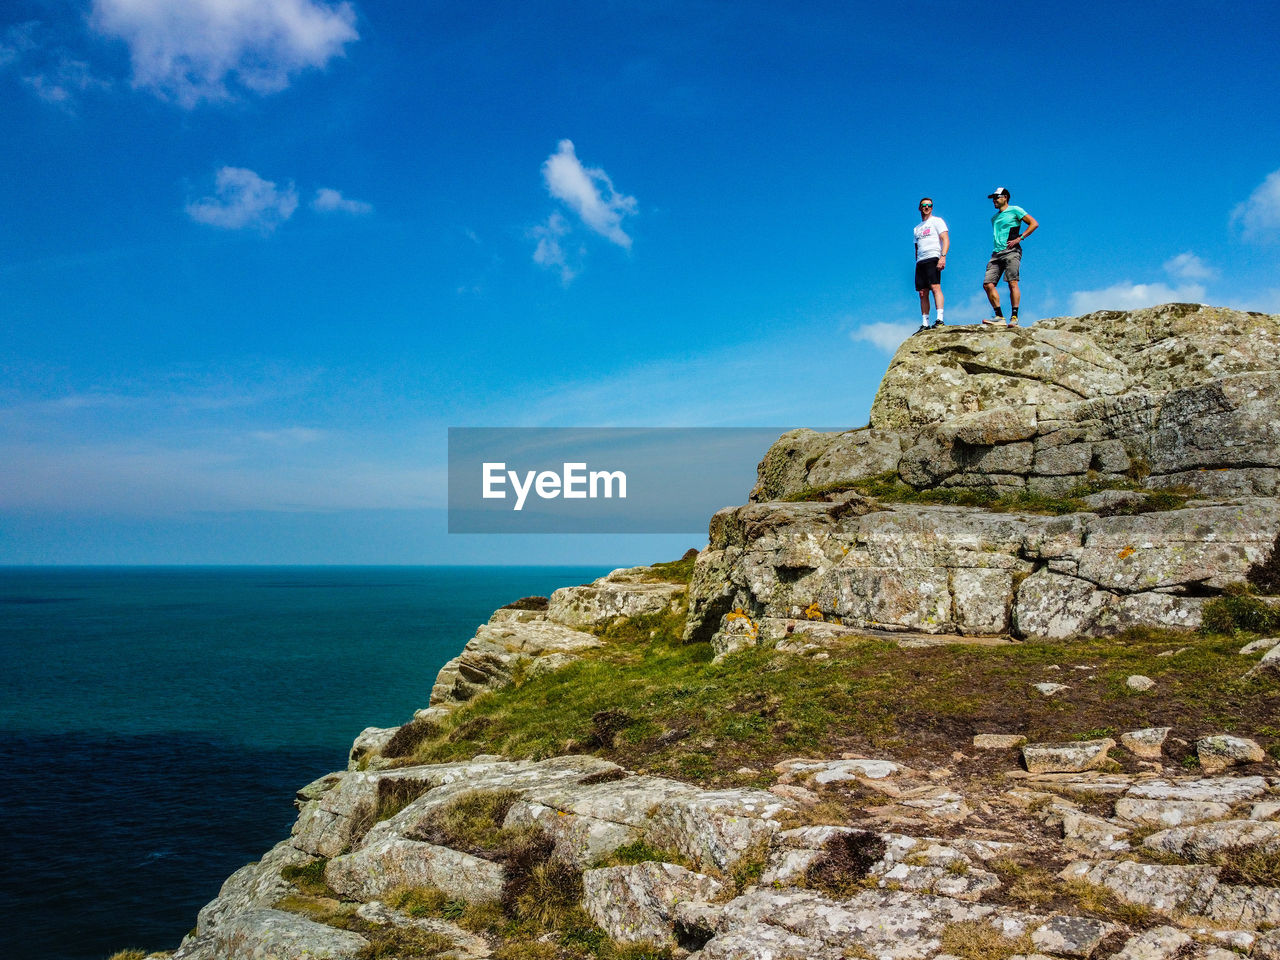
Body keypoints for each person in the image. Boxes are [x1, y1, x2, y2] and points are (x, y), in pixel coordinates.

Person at [982, 187, 1038, 326]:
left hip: (1011, 251)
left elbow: (1033, 223)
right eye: (993, 198)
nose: (994, 200)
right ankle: (999, 317)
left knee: (1012, 282)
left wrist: (1020, 238)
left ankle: (1014, 317)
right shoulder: (994, 218)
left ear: (1005, 197)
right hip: (996, 253)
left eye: (997, 197)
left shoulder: (1015, 210)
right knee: (988, 284)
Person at [913, 197, 948, 330]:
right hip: (921, 261)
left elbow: (945, 239)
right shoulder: (916, 228)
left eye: (929, 205)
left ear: (932, 207)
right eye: (924, 205)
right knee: (922, 292)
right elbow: (916, 247)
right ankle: (925, 322)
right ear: (920, 208)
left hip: (933, 256)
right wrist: (917, 260)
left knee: (935, 287)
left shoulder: (937, 221)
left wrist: (942, 257)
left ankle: (939, 318)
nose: (926, 207)